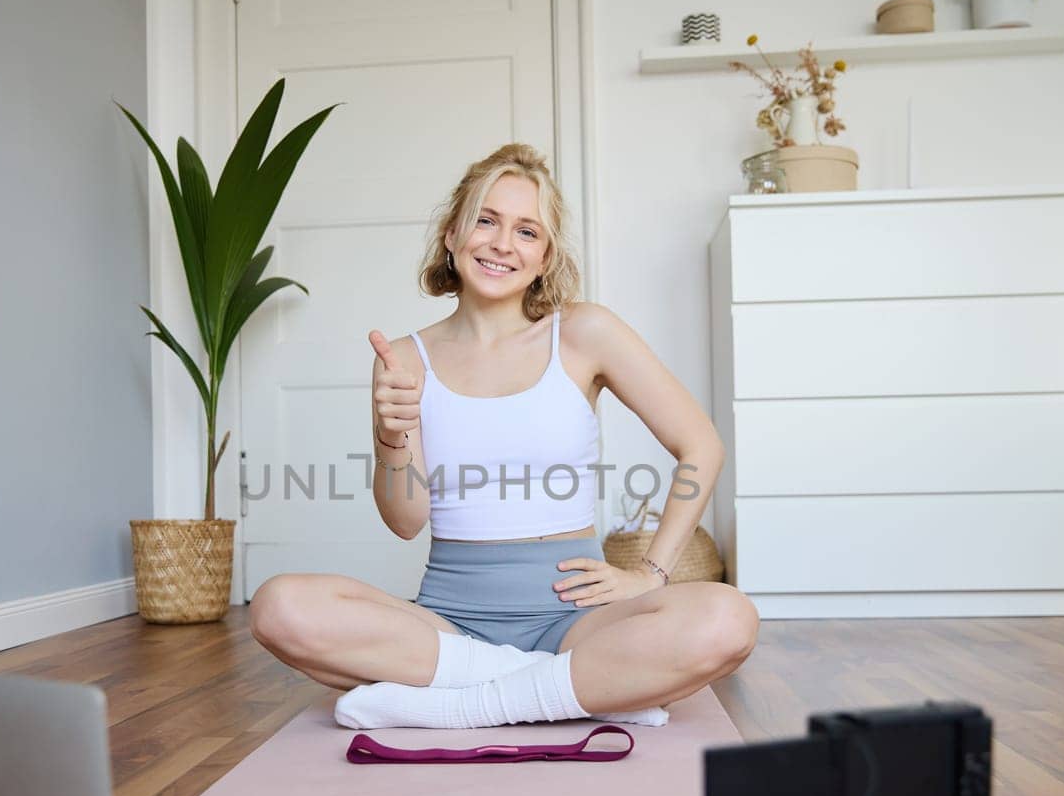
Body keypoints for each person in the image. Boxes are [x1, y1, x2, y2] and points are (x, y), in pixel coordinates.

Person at [248, 143, 758, 730]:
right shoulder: (404, 360)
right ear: (451, 234)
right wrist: (393, 438)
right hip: (449, 623)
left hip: (578, 619)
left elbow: (702, 446)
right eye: (485, 220)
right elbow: (405, 520)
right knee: (278, 607)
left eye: (526, 231)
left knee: (728, 620)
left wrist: (650, 574)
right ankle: (568, 690)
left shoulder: (585, 333)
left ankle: (465, 703)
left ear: (544, 257)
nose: (501, 244)